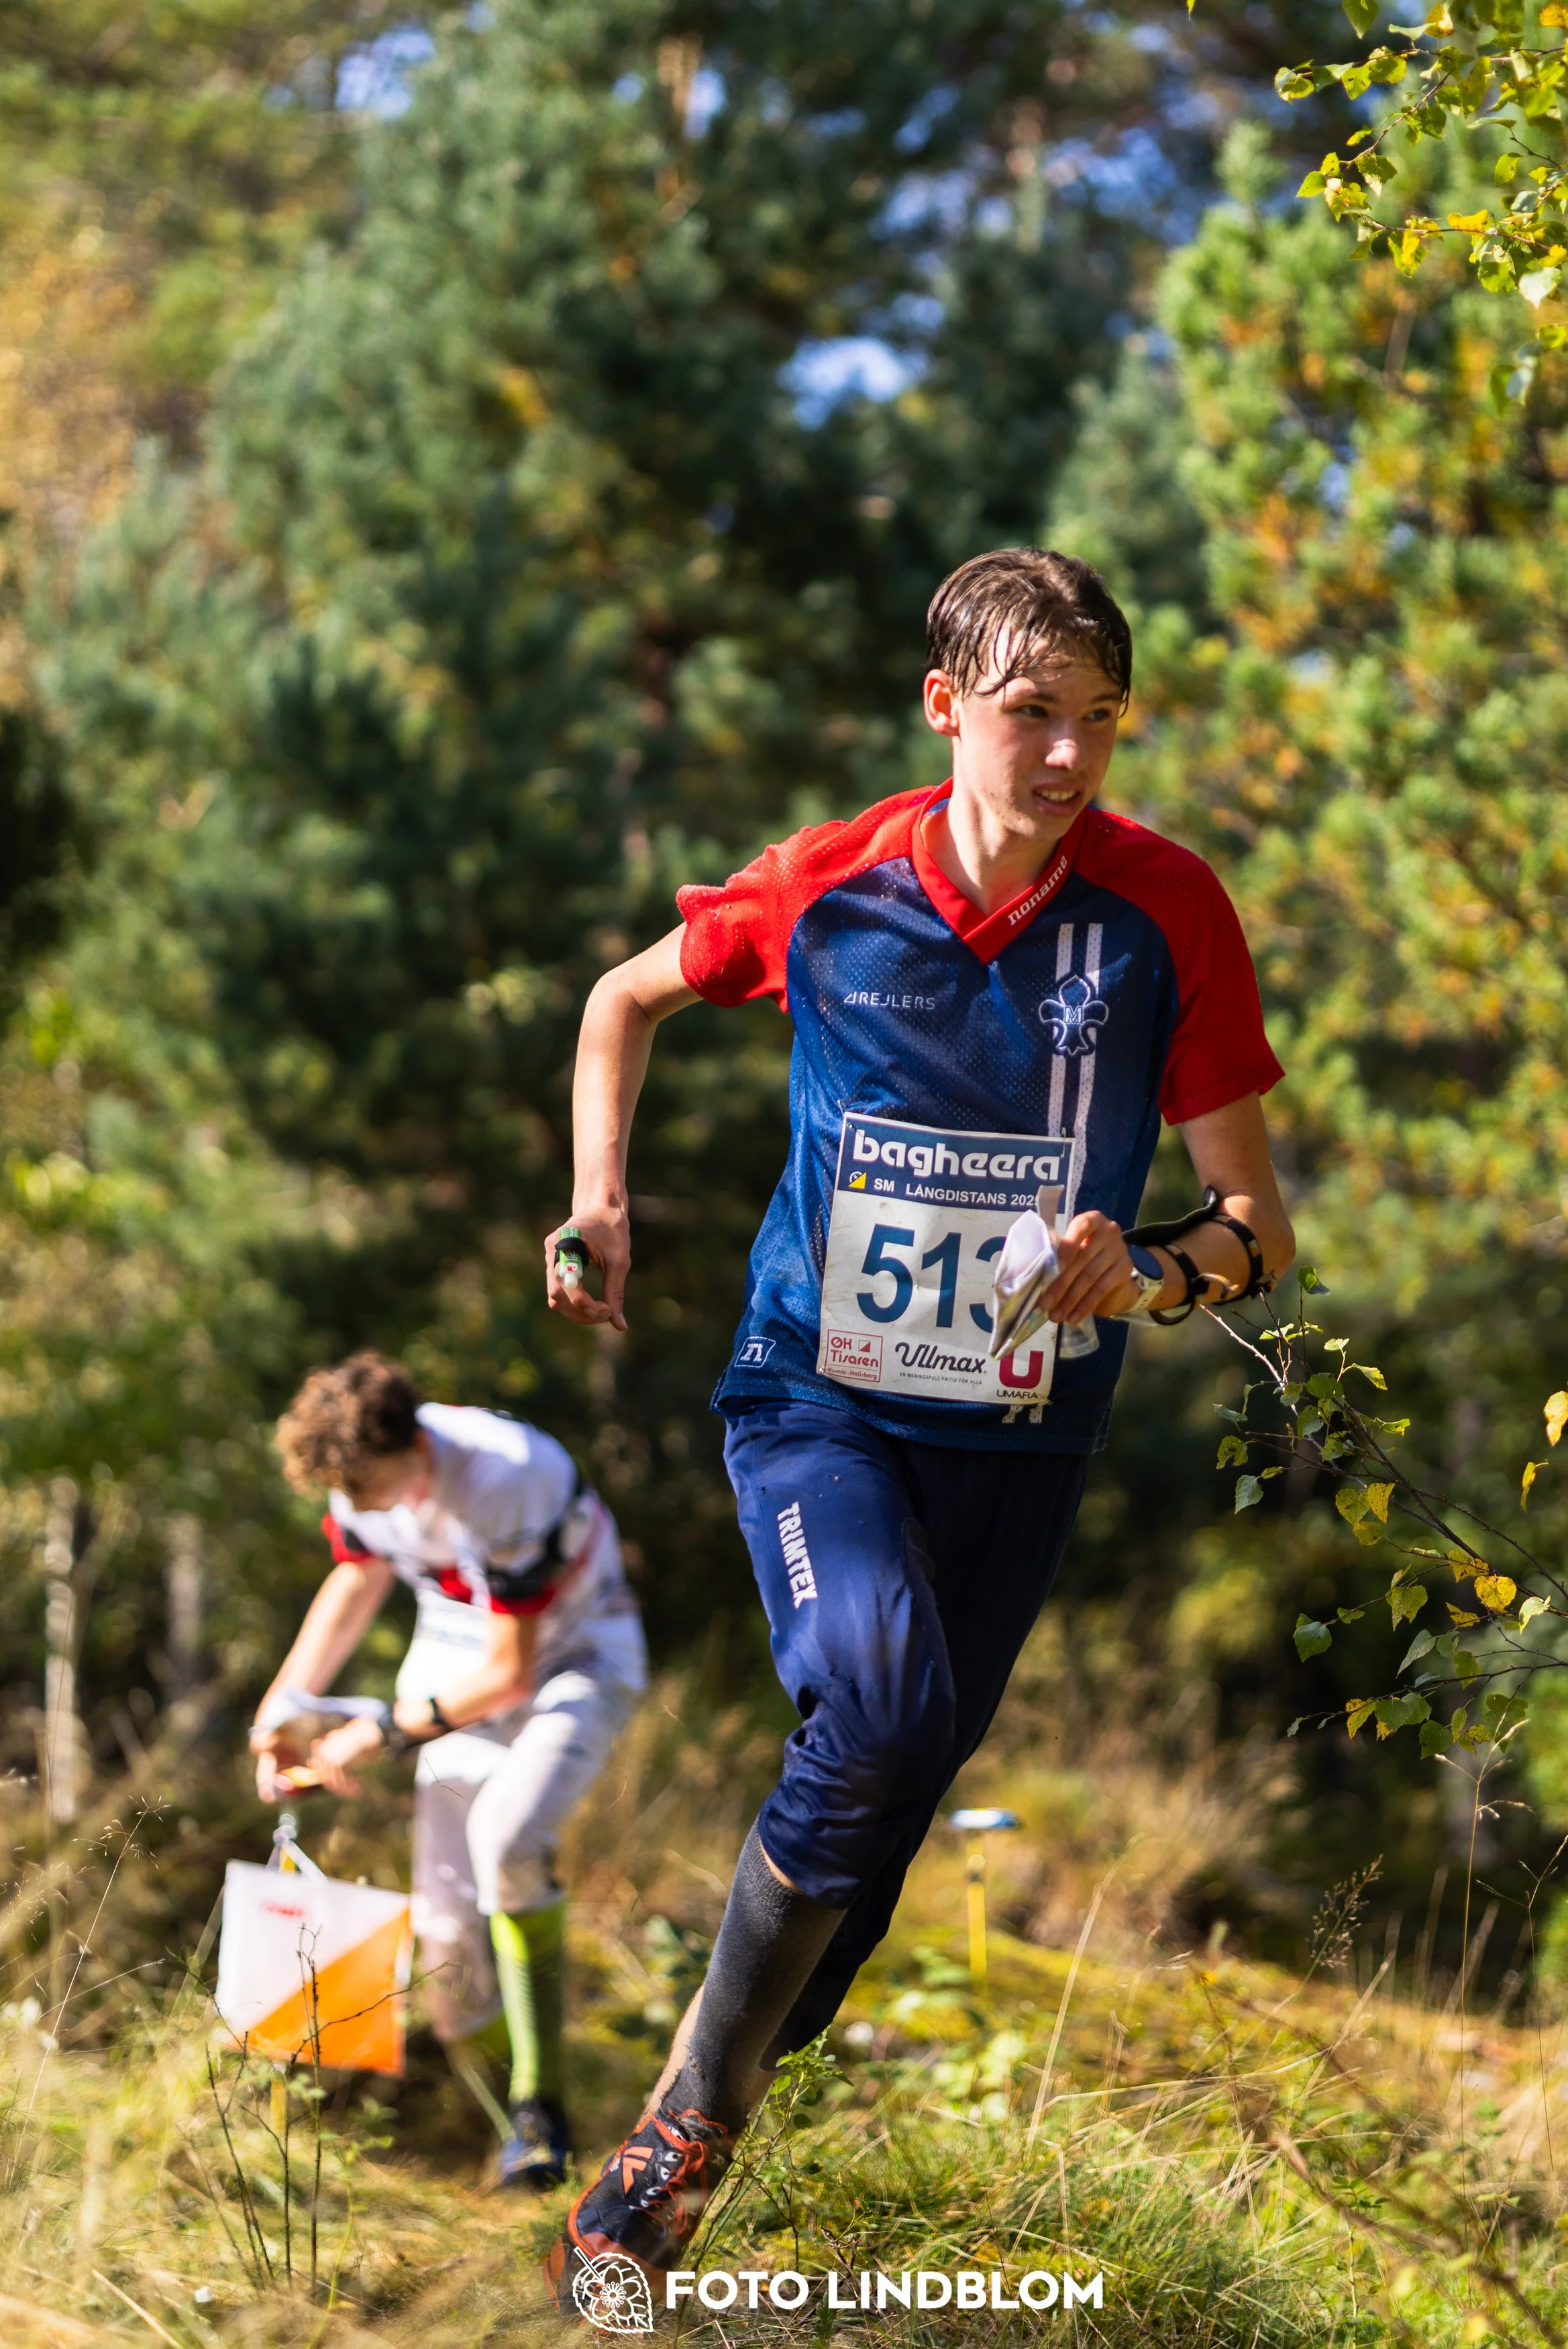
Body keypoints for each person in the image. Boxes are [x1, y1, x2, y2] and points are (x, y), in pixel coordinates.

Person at [543, 545, 1295, 2285]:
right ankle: (684, 2125)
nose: (1066, 759)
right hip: (817, 1402)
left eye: (1099, 723)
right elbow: (617, 1003)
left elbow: (1251, 1229)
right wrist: (604, 1198)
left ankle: (726, 2128)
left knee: (880, 1820)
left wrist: (1154, 1272)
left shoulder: (1163, 911)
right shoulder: (835, 884)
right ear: (946, 705)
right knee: (875, 1701)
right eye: (1032, 715)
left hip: (1019, 1444)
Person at [250, 1351, 646, 2189]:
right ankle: (517, 2128)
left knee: (508, 1838)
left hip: (573, 1659)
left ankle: (544, 2111)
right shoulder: (358, 1473)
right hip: (454, 1659)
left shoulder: (505, 1475)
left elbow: (510, 1672)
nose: (353, 1503)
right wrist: (283, 1706)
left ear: (412, 1446)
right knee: (448, 1957)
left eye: (364, 1486)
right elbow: (357, 1574)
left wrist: (382, 1731)